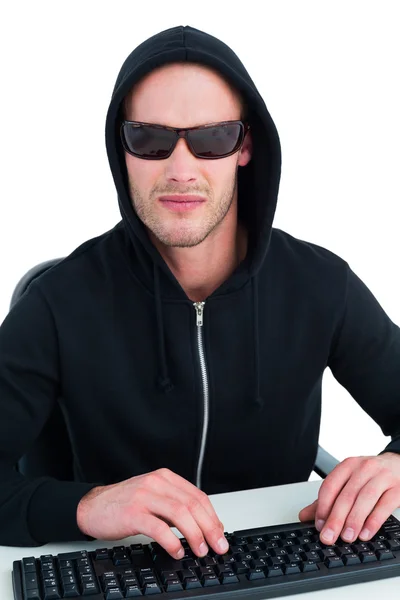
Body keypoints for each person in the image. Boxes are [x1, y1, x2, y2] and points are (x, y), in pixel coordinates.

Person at [0, 25, 400, 562]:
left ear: (245, 146)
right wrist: (85, 505)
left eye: (211, 138)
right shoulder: (59, 302)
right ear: (123, 149)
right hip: (126, 570)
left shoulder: (320, 285)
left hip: (280, 564)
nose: (181, 169)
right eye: (151, 139)